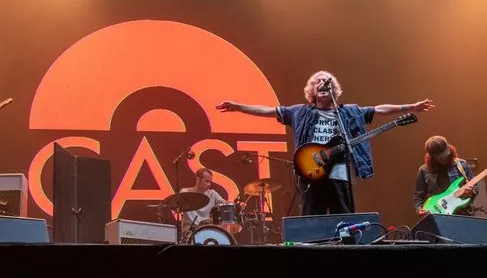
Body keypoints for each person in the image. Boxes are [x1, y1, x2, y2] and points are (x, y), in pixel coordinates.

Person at [216, 70, 435, 216]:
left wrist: (410, 107)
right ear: (311, 90)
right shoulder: (300, 112)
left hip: (340, 172)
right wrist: (238, 107)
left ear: (334, 89)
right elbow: (268, 111)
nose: (322, 83)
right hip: (310, 172)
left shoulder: (349, 112)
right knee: (313, 218)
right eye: (317, 82)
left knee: (344, 218)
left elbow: (378, 109)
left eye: (326, 81)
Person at [414, 135, 478, 216]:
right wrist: (420, 208)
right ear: (432, 156)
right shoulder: (424, 170)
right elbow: (418, 195)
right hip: (437, 215)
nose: (444, 158)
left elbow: (475, 187)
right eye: (440, 157)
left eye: (445, 154)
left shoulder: (462, 165)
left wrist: (471, 192)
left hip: (462, 214)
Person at [180, 168, 233, 237]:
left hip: (206, 230)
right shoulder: (185, 192)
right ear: (198, 179)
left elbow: (225, 203)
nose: (209, 184)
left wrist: (236, 206)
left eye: (210, 182)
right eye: (207, 181)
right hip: (189, 231)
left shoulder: (212, 194)